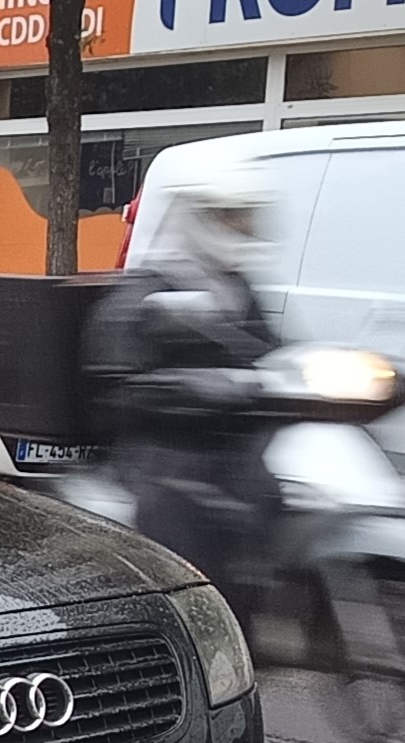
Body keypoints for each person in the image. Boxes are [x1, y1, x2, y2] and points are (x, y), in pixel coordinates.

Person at [81, 161, 281, 634]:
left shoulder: (239, 290)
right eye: (231, 218)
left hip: (231, 453)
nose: (241, 230)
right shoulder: (148, 292)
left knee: (275, 495)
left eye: (246, 219)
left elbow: (271, 348)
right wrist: (190, 390)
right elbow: (117, 384)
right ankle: (169, 635)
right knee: (179, 522)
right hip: (162, 456)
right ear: (199, 219)